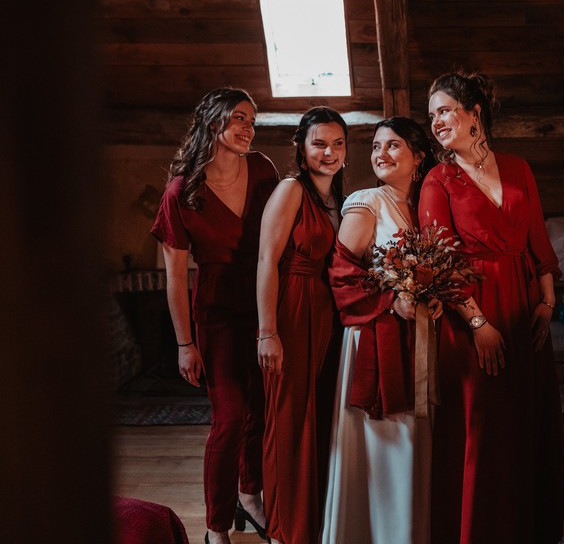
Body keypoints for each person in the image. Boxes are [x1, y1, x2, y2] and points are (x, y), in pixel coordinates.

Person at [419, 71, 564, 544]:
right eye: (432, 115)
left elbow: (538, 238)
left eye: (444, 110)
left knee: (528, 423)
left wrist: (546, 300)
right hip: (472, 319)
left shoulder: (519, 168)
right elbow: (439, 264)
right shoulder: (437, 181)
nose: (437, 121)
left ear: (473, 112)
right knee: (482, 429)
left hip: (525, 311)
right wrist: (479, 323)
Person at [151, 87, 278, 544]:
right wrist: (185, 344)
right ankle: (215, 526)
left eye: (252, 121)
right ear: (213, 123)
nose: (249, 128)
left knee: (260, 411)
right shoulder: (181, 191)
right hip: (217, 311)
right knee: (229, 416)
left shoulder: (264, 169)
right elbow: (174, 276)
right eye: (240, 119)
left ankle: (250, 494)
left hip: (265, 303)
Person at [322, 117, 439, 544]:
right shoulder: (366, 200)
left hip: (416, 338)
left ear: (418, 156)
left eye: (393, 146)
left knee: (414, 439)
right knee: (384, 441)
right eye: (375, 146)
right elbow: (341, 274)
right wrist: (393, 299)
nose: (381, 154)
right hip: (374, 335)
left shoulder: (426, 206)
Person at [255, 107, 347, 544]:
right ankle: (284, 529)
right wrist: (267, 331)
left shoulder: (340, 199)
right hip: (292, 309)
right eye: (319, 143)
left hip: (328, 314)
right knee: (290, 417)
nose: (328, 152)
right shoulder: (291, 189)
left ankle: (312, 521)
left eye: (337, 144)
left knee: (318, 415)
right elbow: (266, 261)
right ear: (302, 148)